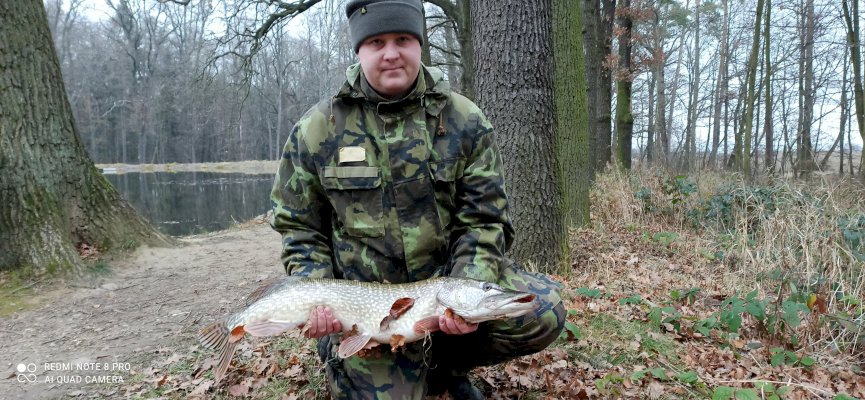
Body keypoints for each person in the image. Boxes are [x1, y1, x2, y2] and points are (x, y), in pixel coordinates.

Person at [270, 0, 565, 398]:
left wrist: (468, 289)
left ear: (420, 44)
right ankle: (350, 363)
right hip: (363, 309)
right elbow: (299, 227)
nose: (391, 53)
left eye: (403, 39)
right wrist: (316, 293)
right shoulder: (318, 128)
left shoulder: (464, 119)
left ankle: (445, 363)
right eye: (376, 42)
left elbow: (483, 220)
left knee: (541, 311)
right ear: (359, 50)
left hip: (443, 285)